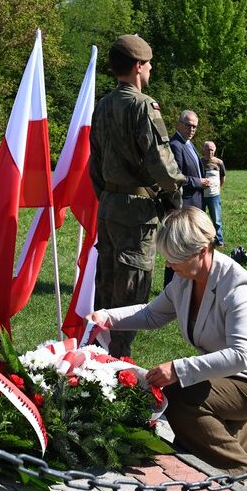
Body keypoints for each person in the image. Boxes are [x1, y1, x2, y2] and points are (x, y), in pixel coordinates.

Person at [86, 207, 247, 474]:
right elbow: (151, 315)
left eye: (175, 258)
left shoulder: (240, 289)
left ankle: (233, 465)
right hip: (231, 374)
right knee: (183, 405)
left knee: (180, 397)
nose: (169, 265)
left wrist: (178, 369)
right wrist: (105, 317)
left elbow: (242, 355)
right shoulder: (185, 279)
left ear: (203, 251)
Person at [88, 34, 185, 358]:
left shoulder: (102, 105)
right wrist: (177, 190)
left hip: (109, 206)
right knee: (131, 288)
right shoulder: (143, 106)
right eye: (149, 63)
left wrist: (109, 194)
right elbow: (160, 160)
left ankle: (95, 361)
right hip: (136, 212)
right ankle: (118, 365)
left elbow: (95, 162)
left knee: (107, 284)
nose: (151, 68)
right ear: (138, 66)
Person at [165, 110, 209, 285]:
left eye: (195, 127)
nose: (192, 129)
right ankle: (170, 287)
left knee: (189, 249)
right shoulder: (175, 145)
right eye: (189, 125)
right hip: (183, 205)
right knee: (177, 249)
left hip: (195, 204)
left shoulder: (189, 144)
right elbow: (175, 177)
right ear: (179, 124)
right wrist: (198, 182)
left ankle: (185, 284)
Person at [201, 141, 226, 247]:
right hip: (200, 195)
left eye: (211, 149)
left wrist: (218, 189)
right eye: (207, 149)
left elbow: (223, 177)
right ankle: (202, 241)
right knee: (200, 219)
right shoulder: (199, 161)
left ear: (214, 150)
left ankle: (219, 241)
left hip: (214, 196)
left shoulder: (219, 162)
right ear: (203, 150)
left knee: (217, 219)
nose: (209, 151)